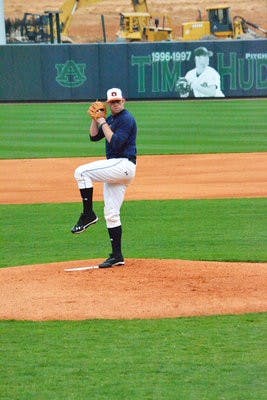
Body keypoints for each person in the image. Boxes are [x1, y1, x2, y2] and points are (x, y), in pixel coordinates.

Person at [71, 88, 137, 268]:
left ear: (124, 101)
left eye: (118, 101)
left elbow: (115, 142)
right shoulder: (111, 119)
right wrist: (95, 120)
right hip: (117, 171)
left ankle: (88, 214)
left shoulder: (126, 119)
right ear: (109, 103)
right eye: (112, 102)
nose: (115, 104)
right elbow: (93, 137)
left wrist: (102, 121)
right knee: (111, 214)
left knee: (81, 172)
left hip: (123, 165)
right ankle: (117, 256)